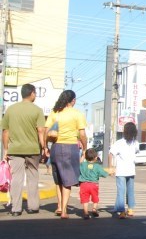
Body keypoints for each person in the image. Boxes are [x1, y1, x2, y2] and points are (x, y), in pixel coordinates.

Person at [1, 84, 47, 216]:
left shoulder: (11, 109)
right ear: (32, 93)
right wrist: (44, 147)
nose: (35, 95)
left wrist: (5, 149)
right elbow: (40, 130)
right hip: (33, 149)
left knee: (17, 178)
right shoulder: (37, 110)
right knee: (33, 176)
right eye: (35, 93)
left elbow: (5, 132)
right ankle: (33, 206)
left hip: (15, 149)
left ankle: (16, 208)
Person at [43, 90, 88, 219]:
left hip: (56, 147)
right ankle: (64, 210)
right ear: (73, 100)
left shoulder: (55, 112)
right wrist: (84, 149)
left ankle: (59, 206)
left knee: (58, 180)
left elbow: (46, 131)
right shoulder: (77, 114)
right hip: (70, 148)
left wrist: (45, 147)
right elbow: (83, 135)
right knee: (67, 180)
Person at [109, 122, 138, 219]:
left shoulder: (119, 143)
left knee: (121, 191)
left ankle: (121, 211)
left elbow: (111, 154)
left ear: (124, 131)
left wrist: (111, 167)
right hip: (131, 170)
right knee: (130, 190)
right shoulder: (135, 143)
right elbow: (136, 152)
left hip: (121, 171)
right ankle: (130, 209)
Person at [78, 147, 109, 219]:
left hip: (84, 184)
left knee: (85, 199)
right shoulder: (97, 166)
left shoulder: (83, 165)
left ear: (86, 157)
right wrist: (110, 172)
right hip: (94, 185)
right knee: (95, 197)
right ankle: (94, 209)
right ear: (95, 158)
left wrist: (82, 155)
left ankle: (86, 213)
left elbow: (80, 162)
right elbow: (104, 174)